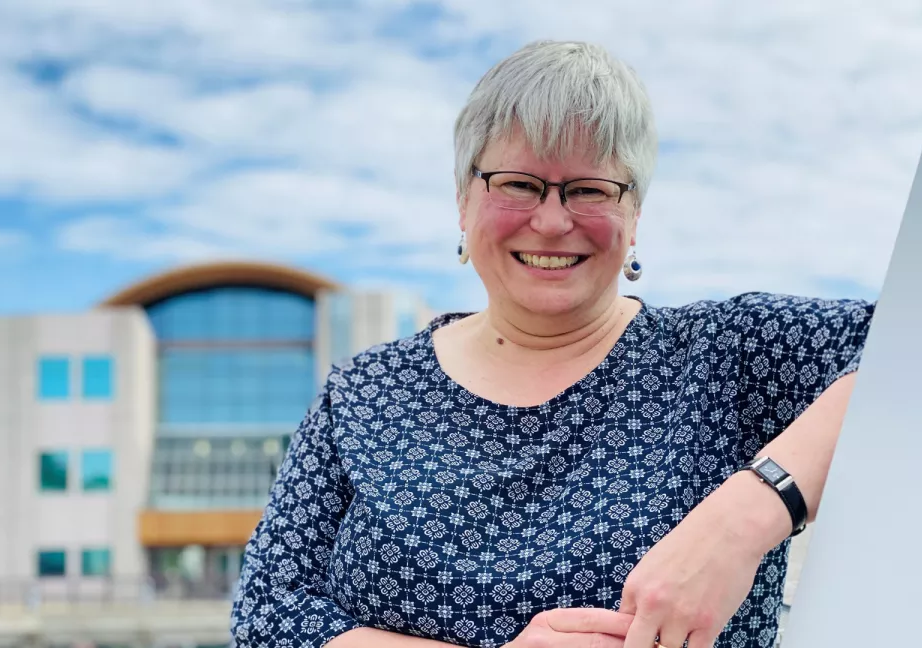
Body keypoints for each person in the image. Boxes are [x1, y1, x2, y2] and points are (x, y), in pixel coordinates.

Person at [229, 40, 875, 648]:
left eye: (590, 189)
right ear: (463, 202)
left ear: (634, 215)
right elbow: (267, 615)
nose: (552, 220)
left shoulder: (730, 356)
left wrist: (749, 513)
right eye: (517, 183)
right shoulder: (363, 394)